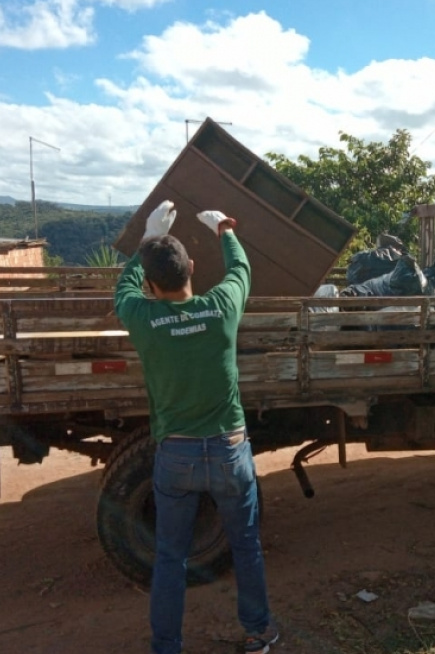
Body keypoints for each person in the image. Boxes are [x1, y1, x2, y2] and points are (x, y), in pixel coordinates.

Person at [114, 201, 278, 654]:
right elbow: (240, 269)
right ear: (192, 267)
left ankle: (167, 646)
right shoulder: (222, 307)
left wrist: (147, 239)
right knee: (246, 548)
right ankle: (257, 633)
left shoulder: (142, 318)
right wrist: (225, 230)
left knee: (170, 557)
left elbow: (122, 289)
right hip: (229, 451)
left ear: (151, 286)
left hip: (176, 458)